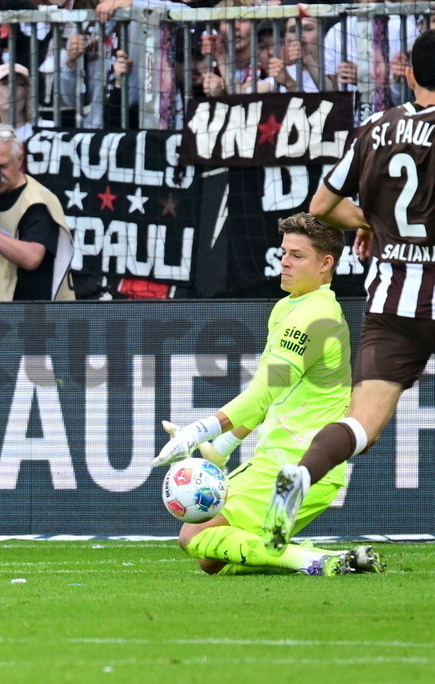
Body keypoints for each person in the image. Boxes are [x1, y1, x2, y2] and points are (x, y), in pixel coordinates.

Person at [260, 29, 435, 555]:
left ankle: (301, 473)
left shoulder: (376, 128)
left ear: (409, 73)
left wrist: (371, 223)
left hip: (393, 302)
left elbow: (321, 206)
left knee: (363, 423)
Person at [153, 214, 384, 576]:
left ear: (326, 263)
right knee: (214, 560)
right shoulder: (287, 307)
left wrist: (198, 431)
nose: (285, 262)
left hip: (299, 463)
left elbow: (263, 391)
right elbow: (273, 397)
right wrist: (223, 446)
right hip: (277, 459)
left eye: (297, 255)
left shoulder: (317, 317)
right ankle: (336, 559)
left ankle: (314, 561)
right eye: (284, 252)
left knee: (193, 535)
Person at [0, 124, 75, 301]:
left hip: (30, 309)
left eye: (3, 166)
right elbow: (2, 241)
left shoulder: (36, 202)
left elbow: (31, 258)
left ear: (19, 159)